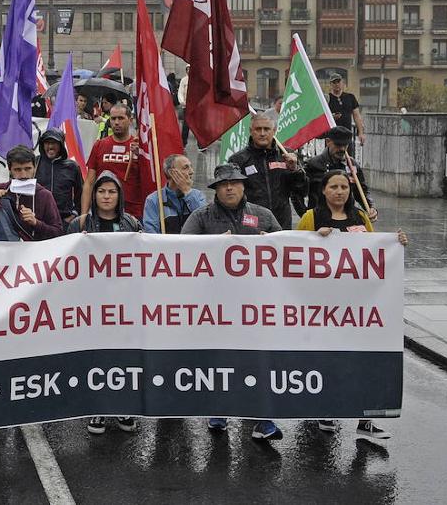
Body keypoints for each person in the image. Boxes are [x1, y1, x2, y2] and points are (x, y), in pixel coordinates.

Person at [295, 170, 406, 441]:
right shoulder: (312, 217)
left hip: (357, 305)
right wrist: (312, 239)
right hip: (322, 305)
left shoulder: (360, 217)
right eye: (334, 186)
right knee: (328, 360)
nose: (340, 191)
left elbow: (375, 253)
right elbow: (292, 250)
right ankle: (327, 410)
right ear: (323, 190)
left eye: (344, 186)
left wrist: (396, 242)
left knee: (361, 360)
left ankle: (366, 419)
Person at [182, 163, 283, 442]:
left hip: (256, 306)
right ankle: (219, 410)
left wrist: (273, 243)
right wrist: (211, 244)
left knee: (258, 362)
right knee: (220, 359)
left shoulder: (263, 216)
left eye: (234, 183)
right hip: (215, 307)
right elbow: (180, 252)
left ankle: (264, 420)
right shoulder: (200, 217)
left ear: (243, 186)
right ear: (216, 189)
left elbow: (288, 250)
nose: (229, 188)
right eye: (223, 184)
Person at [63, 171, 140, 434]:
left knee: (123, 358)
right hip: (91, 306)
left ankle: (122, 406)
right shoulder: (80, 224)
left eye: (112, 191)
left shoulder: (132, 223)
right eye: (101, 191)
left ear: (119, 195)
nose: (106, 196)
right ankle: (96, 409)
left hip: (124, 304)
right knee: (96, 359)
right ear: (94, 195)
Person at [228, 112, 306, 229]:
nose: (262, 133)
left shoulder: (287, 155)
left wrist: (295, 170)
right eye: (258, 129)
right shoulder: (238, 159)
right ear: (251, 131)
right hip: (252, 222)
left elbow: (302, 191)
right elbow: (232, 194)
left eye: (266, 129)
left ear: (274, 131)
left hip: (281, 222)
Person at [0, 145, 63, 240]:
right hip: (1, 251)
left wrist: (36, 222)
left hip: (33, 252)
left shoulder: (44, 195)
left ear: (35, 168)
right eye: (18, 170)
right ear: (10, 170)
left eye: (28, 168)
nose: (23, 174)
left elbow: (58, 232)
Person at [80, 104, 142, 222]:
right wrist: (84, 215)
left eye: (121, 118)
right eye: (113, 119)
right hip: (103, 214)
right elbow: (89, 182)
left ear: (130, 120)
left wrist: (141, 156)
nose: (116, 122)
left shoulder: (139, 148)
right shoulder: (99, 145)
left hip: (133, 214)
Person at [303, 125, 375, 221]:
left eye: (345, 145)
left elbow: (362, 190)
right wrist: (306, 216)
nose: (342, 149)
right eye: (338, 145)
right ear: (328, 142)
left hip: (346, 218)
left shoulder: (352, 165)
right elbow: (298, 193)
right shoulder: (312, 164)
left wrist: (371, 208)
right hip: (319, 220)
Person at [142, 154, 207, 234]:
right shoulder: (154, 200)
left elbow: (205, 222)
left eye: (191, 167)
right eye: (185, 168)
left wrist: (187, 192)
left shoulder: (198, 195)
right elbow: (151, 234)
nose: (191, 172)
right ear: (171, 173)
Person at [35, 127, 83, 222]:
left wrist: (74, 215)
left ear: (61, 145)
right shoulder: (34, 163)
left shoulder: (72, 167)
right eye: (47, 143)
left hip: (64, 221)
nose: (50, 146)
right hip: (38, 221)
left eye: (54, 143)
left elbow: (81, 194)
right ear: (42, 145)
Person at [326, 73, 364, 151]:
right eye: (334, 82)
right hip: (333, 136)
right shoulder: (327, 99)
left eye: (338, 82)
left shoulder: (350, 97)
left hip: (347, 136)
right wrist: (332, 117)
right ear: (330, 84)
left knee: (348, 159)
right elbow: (323, 117)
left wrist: (361, 133)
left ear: (342, 83)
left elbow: (356, 116)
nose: (337, 84)